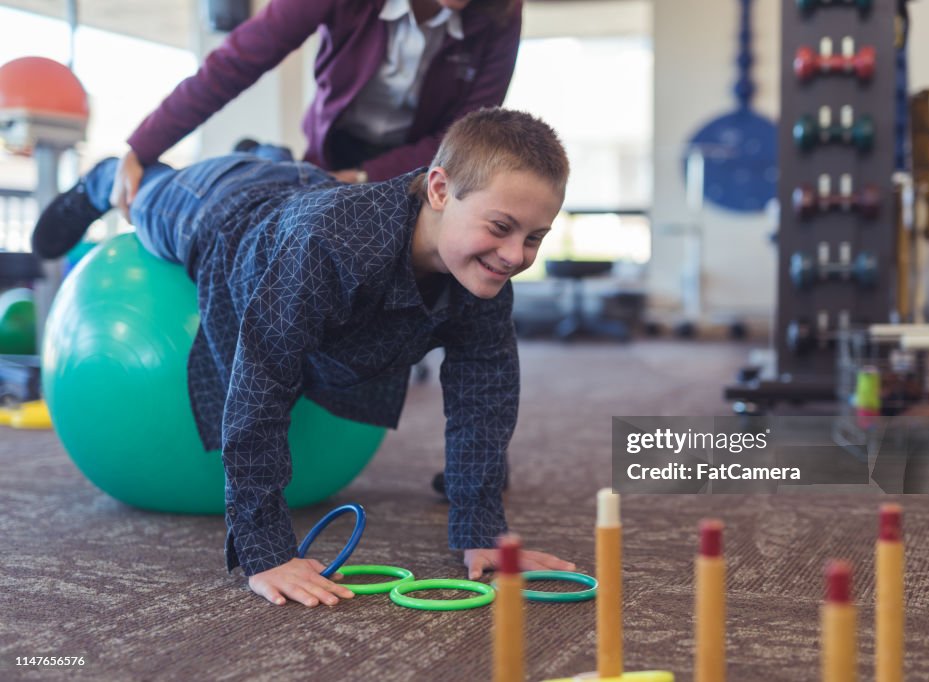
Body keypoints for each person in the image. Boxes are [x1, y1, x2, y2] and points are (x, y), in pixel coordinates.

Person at [32, 108, 574, 607]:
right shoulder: (327, 246)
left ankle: (265, 154)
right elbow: (260, 385)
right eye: (502, 227)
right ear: (439, 188)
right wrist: (265, 551)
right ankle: (104, 178)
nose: (514, 255)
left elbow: (485, 397)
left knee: (285, 178)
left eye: (535, 238)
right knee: (148, 199)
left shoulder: (486, 277)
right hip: (223, 212)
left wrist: (482, 531)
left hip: (307, 191)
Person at [106, 0, 522, 220]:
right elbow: (236, 62)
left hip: (419, 162)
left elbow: (465, 136)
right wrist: (142, 148)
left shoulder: (503, 12)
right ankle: (263, 157)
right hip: (332, 145)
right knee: (289, 199)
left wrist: (367, 179)